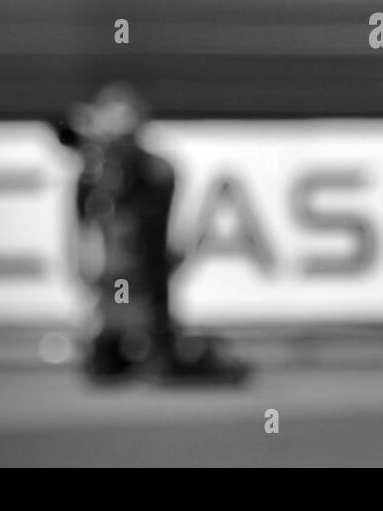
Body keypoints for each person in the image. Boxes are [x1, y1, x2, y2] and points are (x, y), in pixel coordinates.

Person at [57, 82, 246, 384]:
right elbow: (82, 227)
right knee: (102, 371)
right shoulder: (92, 175)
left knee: (164, 368)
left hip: (148, 288)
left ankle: (196, 352)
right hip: (111, 290)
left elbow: (144, 221)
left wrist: (118, 163)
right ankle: (132, 347)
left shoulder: (157, 169)